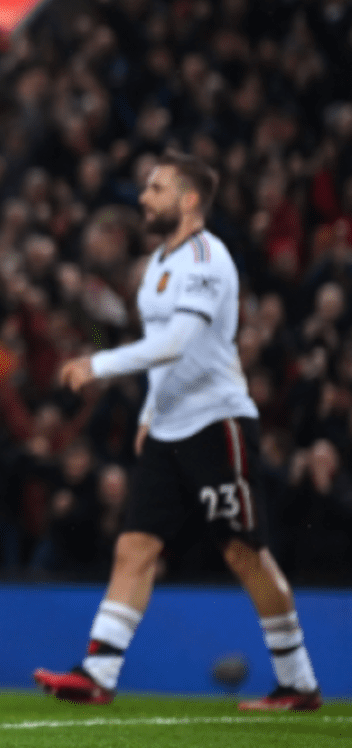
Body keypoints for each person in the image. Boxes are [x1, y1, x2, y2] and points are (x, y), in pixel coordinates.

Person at [33, 152, 322, 711]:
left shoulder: (208, 259)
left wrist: (98, 364)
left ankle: (298, 681)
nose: (144, 198)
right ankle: (97, 672)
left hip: (217, 423)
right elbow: (162, 354)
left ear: (189, 200)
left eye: (157, 188)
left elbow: (176, 343)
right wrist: (149, 414)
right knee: (134, 547)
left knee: (244, 552)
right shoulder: (158, 266)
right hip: (168, 431)